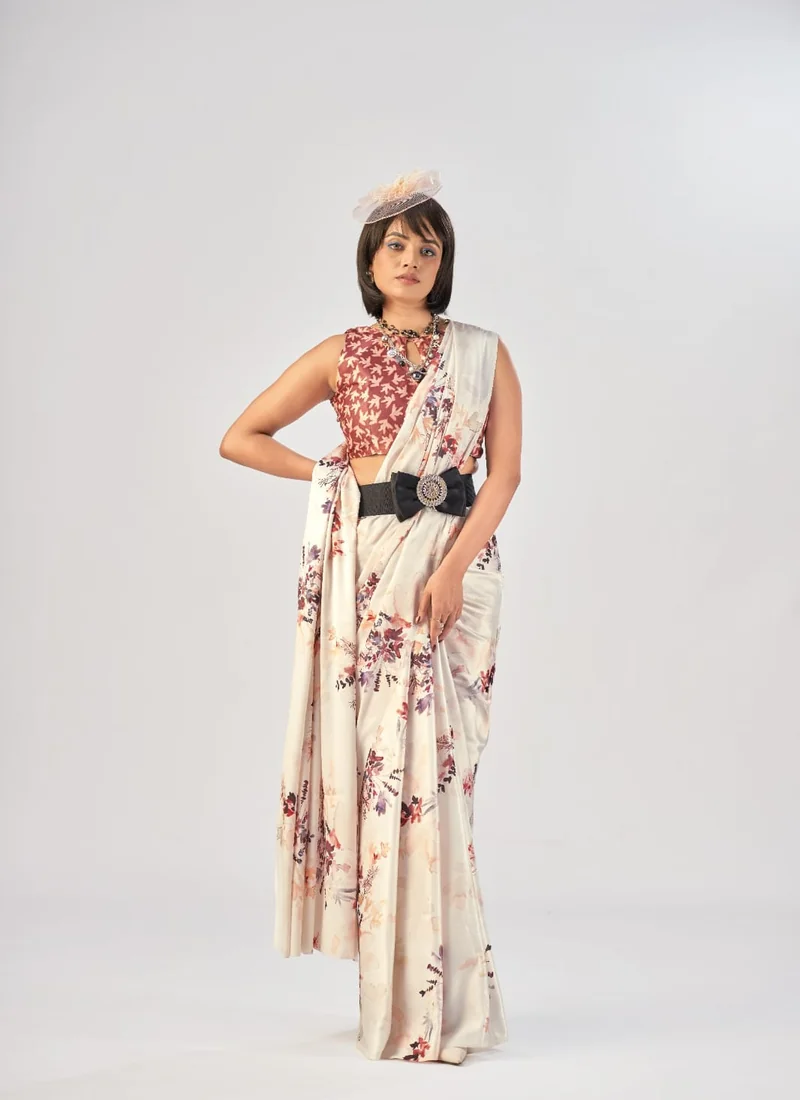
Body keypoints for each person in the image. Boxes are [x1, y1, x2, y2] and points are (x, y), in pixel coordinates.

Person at [219, 169, 523, 1065]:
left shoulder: (483, 352)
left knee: (443, 780)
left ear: (444, 262)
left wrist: (453, 570)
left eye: (429, 246)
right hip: (375, 577)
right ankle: (394, 1004)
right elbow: (242, 436)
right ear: (370, 259)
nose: (412, 259)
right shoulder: (340, 354)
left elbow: (504, 475)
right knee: (388, 768)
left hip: (455, 576)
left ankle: (446, 1000)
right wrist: (332, 475)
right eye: (397, 244)